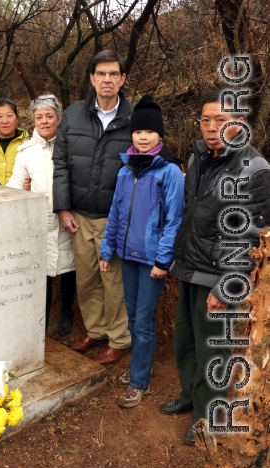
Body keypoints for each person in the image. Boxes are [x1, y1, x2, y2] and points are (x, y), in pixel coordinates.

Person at [159, 90, 270, 445]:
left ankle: (211, 416)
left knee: (214, 351)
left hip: (221, 275)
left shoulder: (255, 169)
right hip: (191, 266)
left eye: (220, 120)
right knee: (185, 342)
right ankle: (192, 397)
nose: (211, 128)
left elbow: (253, 237)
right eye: (205, 120)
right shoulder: (198, 158)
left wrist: (225, 287)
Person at [99, 94, 184, 407]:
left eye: (149, 132)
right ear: (131, 134)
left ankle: (139, 381)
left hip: (152, 263)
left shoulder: (169, 172)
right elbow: (116, 213)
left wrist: (164, 260)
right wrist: (107, 250)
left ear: (159, 135)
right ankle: (139, 367)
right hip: (128, 258)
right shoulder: (125, 170)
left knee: (144, 321)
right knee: (133, 318)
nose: (143, 137)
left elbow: (174, 220)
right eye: (138, 132)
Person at [52, 50, 134, 365]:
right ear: (91, 78)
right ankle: (96, 331)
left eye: (114, 74)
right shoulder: (73, 115)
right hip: (79, 217)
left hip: (114, 219)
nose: (107, 80)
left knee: (114, 282)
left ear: (123, 78)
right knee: (86, 279)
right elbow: (60, 163)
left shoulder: (133, 118)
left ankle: (119, 339)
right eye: (101, 74)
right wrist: (63, 207)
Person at [7, 94, 76, 335]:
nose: (45, 121)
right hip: (39, 223)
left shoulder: (71, 145)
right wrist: (22, 192)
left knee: (70, 269)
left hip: (67, 218)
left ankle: (67, 312)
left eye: (49, 116)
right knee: (42, 273)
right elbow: (14, 185)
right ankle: (41, 320)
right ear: (33, 120)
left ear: (58, 118)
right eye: (39, 117)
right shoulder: (25, 152)